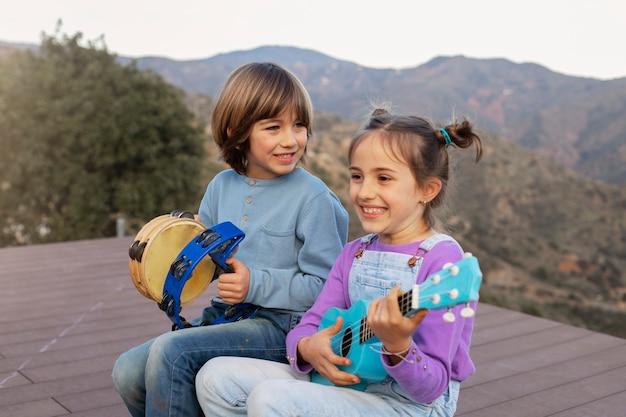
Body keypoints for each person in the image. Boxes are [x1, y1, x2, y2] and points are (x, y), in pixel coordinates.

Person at [195, 107, 483, 416]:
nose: (365, 191)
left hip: (406, 405)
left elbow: (431, 388)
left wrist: (398, 345)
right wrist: (308, 347)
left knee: (270, 398)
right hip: (345, 384)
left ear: (427, 189)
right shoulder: (355, 252)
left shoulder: (442, 259)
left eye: (383, 178)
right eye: (357, 176)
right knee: (215, 378)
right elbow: (310, 323)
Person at [111, 62, 349, 417]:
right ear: (236, 131)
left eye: (298, 125)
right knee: (127, 371)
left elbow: (328, 288)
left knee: (172, 354)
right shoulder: (221, 186)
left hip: (284, 326)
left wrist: (255, 284)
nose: (291, 139)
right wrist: (187, 249)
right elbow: (209, 265)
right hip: (226, 315)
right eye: (274, 127)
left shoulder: (313, 197)